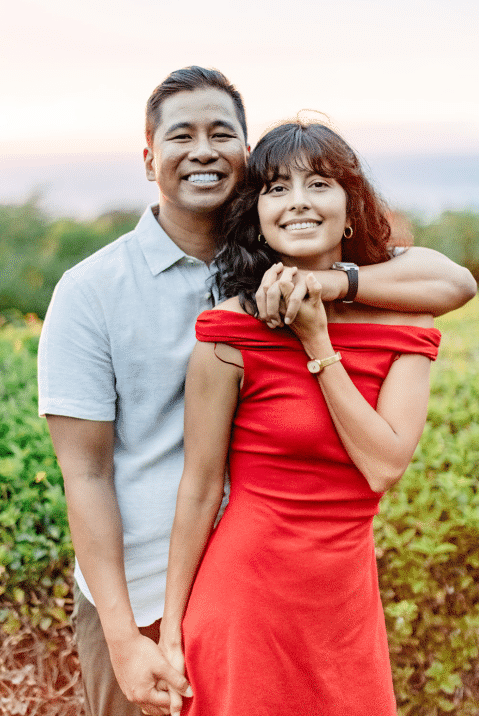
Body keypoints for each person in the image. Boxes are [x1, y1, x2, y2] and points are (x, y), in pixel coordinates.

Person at [36, 67, 477, 716]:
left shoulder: (283, 276)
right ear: (148, 156)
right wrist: (126, 636)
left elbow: (454, 283)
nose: (203, 149)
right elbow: (88, 472)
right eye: (181, 134)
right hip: (146, 597)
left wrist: (328, 290)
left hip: (316, 595)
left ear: (244, 159)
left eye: (222, 133)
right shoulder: (99, 290)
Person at [158, 119, 442, 715]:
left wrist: (318, 338)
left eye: (319, 184)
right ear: (255, 211)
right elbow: (201, 488)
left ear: (350, 204)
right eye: (276, 188)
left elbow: (383, 466)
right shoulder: (229, 335)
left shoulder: (406, 329)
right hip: (243, 602)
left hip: (344, 609)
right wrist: (171, 631)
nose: (298, 203)